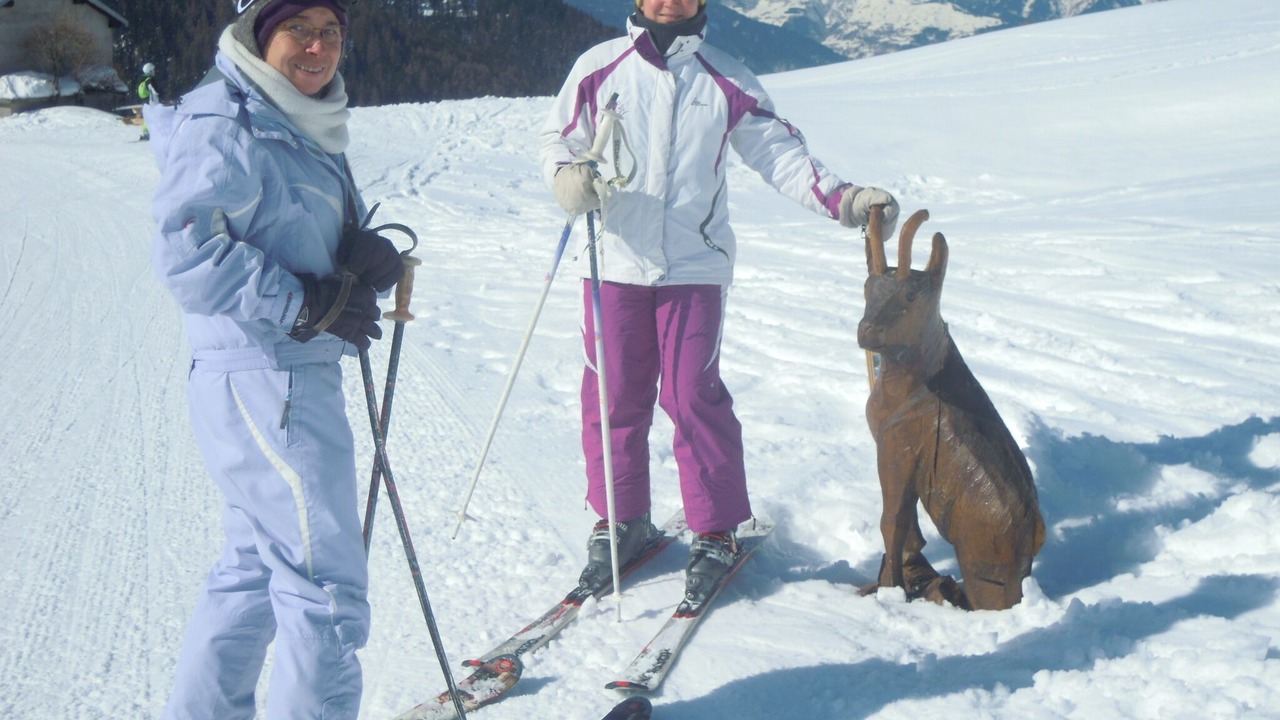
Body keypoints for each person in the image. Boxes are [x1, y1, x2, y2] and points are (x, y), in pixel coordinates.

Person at [540, 0, 900, 604]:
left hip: (694, 266)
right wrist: (566, 175)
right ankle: (620, 522)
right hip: (615, 262)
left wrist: (846, 200)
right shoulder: (600, 68)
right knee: (612, 395)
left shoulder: (726, 77)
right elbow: (560, 137)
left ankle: (714, 529)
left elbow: (780, 154)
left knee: (691, 395)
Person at [144, 1, 404, 717]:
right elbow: (186, 253)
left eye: (331, 31)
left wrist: (354, 254)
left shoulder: (288, 112)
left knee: (255, 571)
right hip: (269, 376)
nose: (317, 47)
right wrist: (304, 303)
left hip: (271, 373)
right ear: (262, 33)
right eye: (299, 30)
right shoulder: (229, 119)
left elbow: (279, 220)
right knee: (323, 590)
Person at [136, 62, 158, 141]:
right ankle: (149, 133)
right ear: (150, 71)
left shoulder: (141, 79)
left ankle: (146, 132)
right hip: (151, 100)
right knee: (152, 116)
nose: (154, 71)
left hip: (144, 101)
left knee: (146, 116)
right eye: (153, 70)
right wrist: (157, 93)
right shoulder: (150, 79)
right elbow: (153, 89)